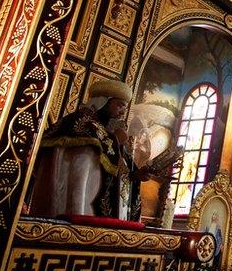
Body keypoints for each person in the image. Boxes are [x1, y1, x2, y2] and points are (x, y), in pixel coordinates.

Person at [31, 79, 167, 221]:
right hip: (77, 202)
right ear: (103, 101)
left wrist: (135, 174)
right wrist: (115, 140)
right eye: (120, 105)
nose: (122, 113)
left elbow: (117, 167)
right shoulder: (81, 121)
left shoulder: (107, 129)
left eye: (125, 108)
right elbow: (85, 159)